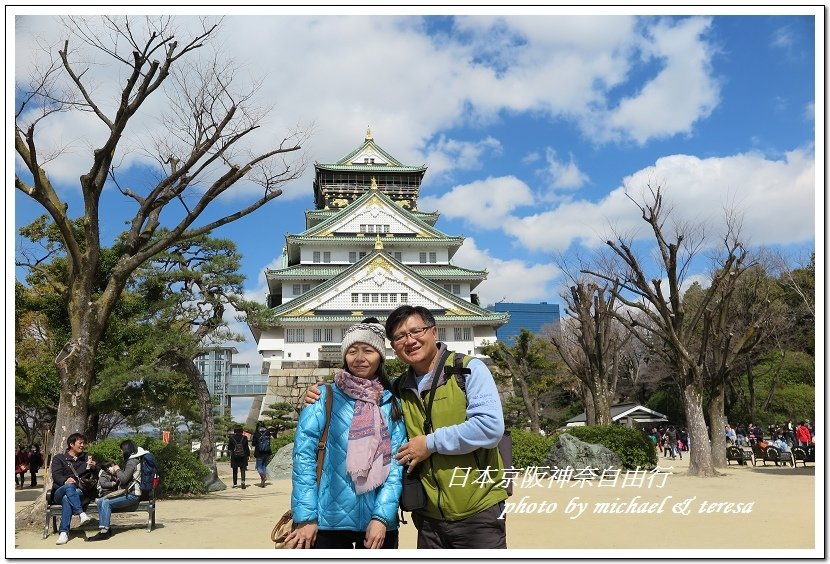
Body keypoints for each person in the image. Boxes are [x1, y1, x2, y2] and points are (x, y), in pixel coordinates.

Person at [306, 306, 509, 549]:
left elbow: (490, 427)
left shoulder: (467, 370)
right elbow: (362, 395)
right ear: (392, 347)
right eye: (400, 336)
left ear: (434, 332)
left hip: (479, 510)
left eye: (416, 331)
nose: (409, 340)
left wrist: (429, 443)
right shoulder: (396, 390)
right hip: (428, 515)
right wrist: (318, 394)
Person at [286, 318, 406, 549]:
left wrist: (382, 518)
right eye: (352, 351)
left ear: (380, 356)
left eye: (368, 351)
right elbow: (303, 458)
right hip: (326, 522)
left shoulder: (391, 403)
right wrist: (306, 517)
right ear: (344, 356)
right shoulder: (323, 397)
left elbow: (396, 466)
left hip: (377, 525)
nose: (359, 358)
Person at [87, 440, 144, 541]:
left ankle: (104, 532)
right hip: (129, 492)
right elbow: (126, 478)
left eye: (121, 450)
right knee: (100, 501)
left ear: (126, 450)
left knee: (106, 503)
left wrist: (117, 470)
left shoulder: (131, 462)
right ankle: (105, 528)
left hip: (133, 494)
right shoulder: (133, 460)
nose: (120, 452)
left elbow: (123, 479)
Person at [49, 433, 97, 545]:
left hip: (79, 492)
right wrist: (66, 481)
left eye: (83, 443)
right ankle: (81, 513)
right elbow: (56, 476)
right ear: (71, 444)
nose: (82, 445)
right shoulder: (59, 458)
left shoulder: (86, 458)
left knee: (67, 499)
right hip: (60, 491)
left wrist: (94, 466)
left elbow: (96, 472)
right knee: (68, 487)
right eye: (80, 443)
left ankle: (63, 533)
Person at [252, 421, 272, 488]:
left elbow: (253, 444)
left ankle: (263, 477)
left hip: (259, 452)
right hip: (267, 452)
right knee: (264, 466)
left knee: (258, 467)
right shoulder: (268, 432)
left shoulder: (256, 433)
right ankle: (262, 482)